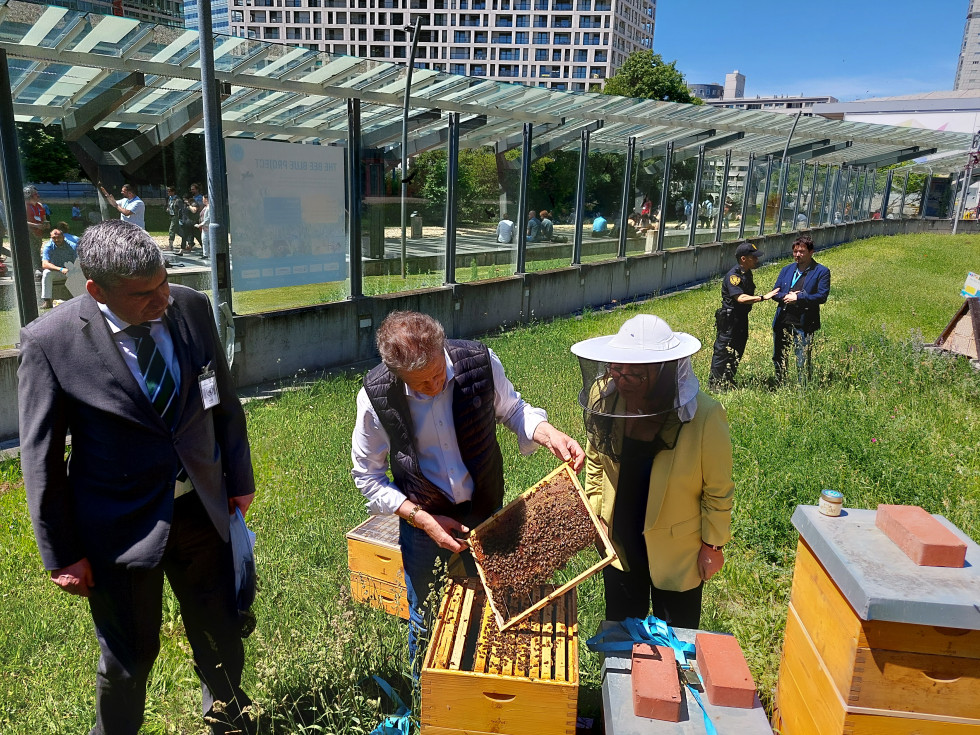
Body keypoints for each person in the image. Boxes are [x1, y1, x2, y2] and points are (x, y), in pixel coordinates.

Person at [19, 220, 257, 734]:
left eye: (163, 282)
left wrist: (238, 476)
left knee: (220, 632)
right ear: (95, 289)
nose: (161, 300)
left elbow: (223, 400)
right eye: (143, 294)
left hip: (200, 505)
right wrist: (60, 552)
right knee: (128, 659)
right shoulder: (50, 341)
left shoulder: (190, 306)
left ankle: (228, 721)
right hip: (118, 528)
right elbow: (39, 459)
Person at [350, 311, 585, 673]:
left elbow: (513, 410)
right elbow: (368, 476)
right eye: (421, 384)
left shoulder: (479, 361)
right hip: (424, 520)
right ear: (397, 375)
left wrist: (547, 432)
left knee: (491, 611)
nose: (433, 386)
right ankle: (425, 702)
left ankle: (475, 690)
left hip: (486, 511)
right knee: (425, 619)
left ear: (441, 347)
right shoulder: (375, 396)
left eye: (437, 374)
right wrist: (422, 519)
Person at [571, 314, 733, 629]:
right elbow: (594, 459)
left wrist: (713, 547)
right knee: (621, 629)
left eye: (636, 374)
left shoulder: (705, 416)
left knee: (676, 638)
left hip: (676, 548)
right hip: (619, 535)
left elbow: (718, 489)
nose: (623, 380)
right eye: (618, 369)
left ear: (664, 370)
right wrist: (596, 513)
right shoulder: (604, 397)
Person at [767, 234, 831, 385]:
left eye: (802, 251)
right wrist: (786, 296)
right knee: (779, 356)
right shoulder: (786, 270)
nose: (798, 255)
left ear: (811, 252)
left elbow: (822, 296)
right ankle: (780, 383)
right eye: (795, 251)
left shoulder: (821, 271)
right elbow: (775, 292)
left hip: (803, 322)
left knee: (802, 358)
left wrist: (800, 297)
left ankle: (803, 388)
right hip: (783, 319)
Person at [709, 242, 771, 390]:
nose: (756, 259)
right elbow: (740, 298)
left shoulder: (747, 273)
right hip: (730, 319)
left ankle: (728, 380)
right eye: (753, 257)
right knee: (723, 350)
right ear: (743, 259)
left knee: (737, 349)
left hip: (741, 318)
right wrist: (763, 297)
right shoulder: (734, 276)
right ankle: (715, 384)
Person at [38, 228, 80, 309]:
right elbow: (45, 264)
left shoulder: (72, 246)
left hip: (72, 272)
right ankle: (47, 302)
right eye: (54, 238)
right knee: (46, 273)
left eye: (59, 237)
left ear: (63, 237)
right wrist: (61, 269)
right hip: (57, 272)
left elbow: (79, 262)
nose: (57, 240)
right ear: (51, 238)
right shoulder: (48, 246)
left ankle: (80, 300)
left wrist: (73, 269)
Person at [25, 185, 49, 274]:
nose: (38, 196)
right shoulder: (25, 206)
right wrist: (35, 225)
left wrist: (46, 223)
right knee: (33, 250)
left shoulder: (40, 205)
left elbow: (44, 218)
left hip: (38, 233)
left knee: (37, 250)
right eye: (36, 194)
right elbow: (21, 222)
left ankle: (37, 267)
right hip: (29, 233)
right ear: (29, 195)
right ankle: (36, 268)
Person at [166, 186, 185, 251]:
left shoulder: (178, 200)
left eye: (169, 191)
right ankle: (188, 240)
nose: (168, 193)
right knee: (178, 231)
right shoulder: (170, 198)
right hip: (172, 216)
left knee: (171, 230)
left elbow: (181, 209)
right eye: (167, 191)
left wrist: (181, 218)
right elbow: (170, 206)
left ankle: (170, 246)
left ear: (173, 192)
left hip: (176, 216)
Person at [195, 193, 211, 258]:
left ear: (206, 199)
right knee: (204, 240)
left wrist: (201, 224)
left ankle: (209, 253)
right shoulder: (205, 207)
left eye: (203, 199)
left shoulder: (209, 207)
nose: (202, 200)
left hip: (207, 226)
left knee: (209, 240)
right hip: (204, 227)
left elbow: (208, 218)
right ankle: (205, 254)